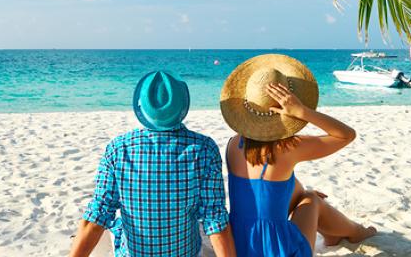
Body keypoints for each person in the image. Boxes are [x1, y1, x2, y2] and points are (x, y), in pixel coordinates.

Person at [219, 54, 377, 255]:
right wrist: (303, 112)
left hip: (240, 245)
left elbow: (270, 187)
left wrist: (299, 193)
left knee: (300, 192)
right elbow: (346, 135)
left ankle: (336, 234)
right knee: (312, 199)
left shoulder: (233, 144)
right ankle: (358, 233)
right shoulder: (288, 148)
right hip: (278, 250)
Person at [70, 70, 236, 257]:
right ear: (182, 107)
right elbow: (214, 218)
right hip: (184, 252)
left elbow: (98, 215)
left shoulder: (118, 149)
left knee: (112, 223)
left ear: (142, 107)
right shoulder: (204, 149)